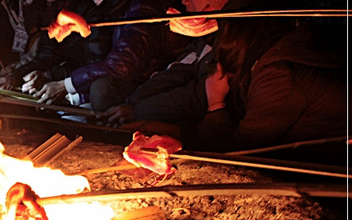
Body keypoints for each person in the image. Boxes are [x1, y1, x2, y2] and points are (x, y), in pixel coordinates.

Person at [132, 18, 347, 152]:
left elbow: (241, 146)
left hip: (332, 158)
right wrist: (168, 130)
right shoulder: (266, 58)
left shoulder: (276, 78)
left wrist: (215, 104)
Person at [21, 0, 186, 112]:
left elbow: (122, 64)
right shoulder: (114, 6)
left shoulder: (143, 2)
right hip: (134, 83)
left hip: (157, 83)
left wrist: (66, 85)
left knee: (102, 88)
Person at [99, 0, 250, 126]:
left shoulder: (236, 34)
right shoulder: (208, 30)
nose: (184, 0)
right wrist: (132, 103)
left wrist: (139, 111)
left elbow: (199, 95)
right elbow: (178, 70)